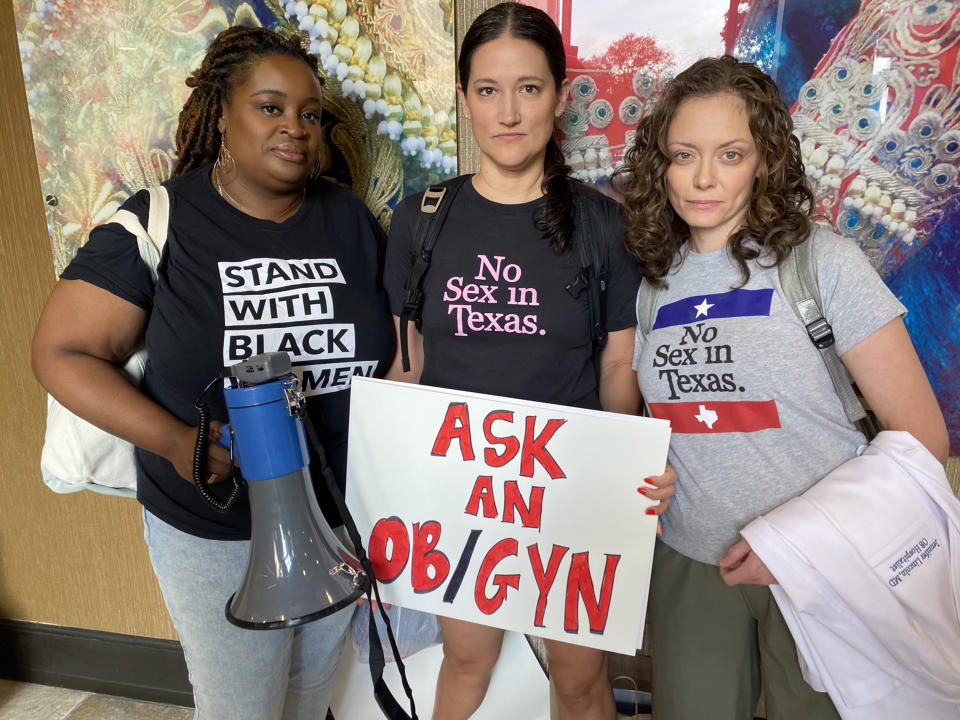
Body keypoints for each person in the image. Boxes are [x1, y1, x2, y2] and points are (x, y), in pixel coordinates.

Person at [31, 26, 395, 720]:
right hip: (214, 526)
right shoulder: (162, 220)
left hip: (336, 519)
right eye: (270, 107)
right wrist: (178, 443)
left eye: (310, 114)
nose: (295, 127)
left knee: (314, 694)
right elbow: (61, 352)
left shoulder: (349, 221)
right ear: (221, 112)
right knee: (242, 709)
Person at [616, 55, 949, 720]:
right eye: (684, 155)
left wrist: (793, 544)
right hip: (691, 562)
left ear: (764, 160)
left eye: (730, 154)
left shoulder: (822, 263)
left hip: (820, 568)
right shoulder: (651, 285)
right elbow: (666, 425)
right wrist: (647, 473)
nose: (704, 178)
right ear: (661, 164)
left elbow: (925, 439)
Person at [383, 4, 676, 719]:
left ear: (561, 95)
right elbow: (407, 364)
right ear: (463, 98)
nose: (508, 112)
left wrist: (619, 479)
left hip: (569, 495)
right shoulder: (420, 218)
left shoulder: (604, 225)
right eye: (488, 90)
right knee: (466, 658)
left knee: (577, 683)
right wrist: (384, 480)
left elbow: (618, 365)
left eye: (529, 88)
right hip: (459, 494)